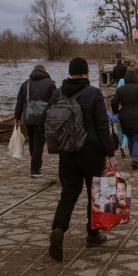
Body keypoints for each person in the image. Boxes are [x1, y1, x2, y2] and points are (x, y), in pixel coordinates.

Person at [48, 57, 117, 263]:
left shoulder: (57, 94)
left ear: (70, 73)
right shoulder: (94, 93)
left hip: (67, 152)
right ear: (86, 73)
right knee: (94, 193)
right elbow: (103, 127)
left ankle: (58, 229)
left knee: (68, 194)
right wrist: (111, 154)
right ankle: (93, 235)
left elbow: (47, 119)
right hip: (92, 151)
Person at [14, 64, 56, 178]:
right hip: (42, 118)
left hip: (28, 116)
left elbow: (20, 102)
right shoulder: (50, 83)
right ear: (44, 71)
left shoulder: (25, 84)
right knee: (39, 143)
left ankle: (37, 163)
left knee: (32, 142)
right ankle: (34, 170)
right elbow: (55, 101)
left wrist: (17, 117)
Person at [111, 70, 138, 170]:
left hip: (125, 116)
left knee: (129, 138)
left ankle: (133, 156)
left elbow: (114, 102)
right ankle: (134, 158)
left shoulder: (120, 90)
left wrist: (116, 112)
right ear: (135, 78)